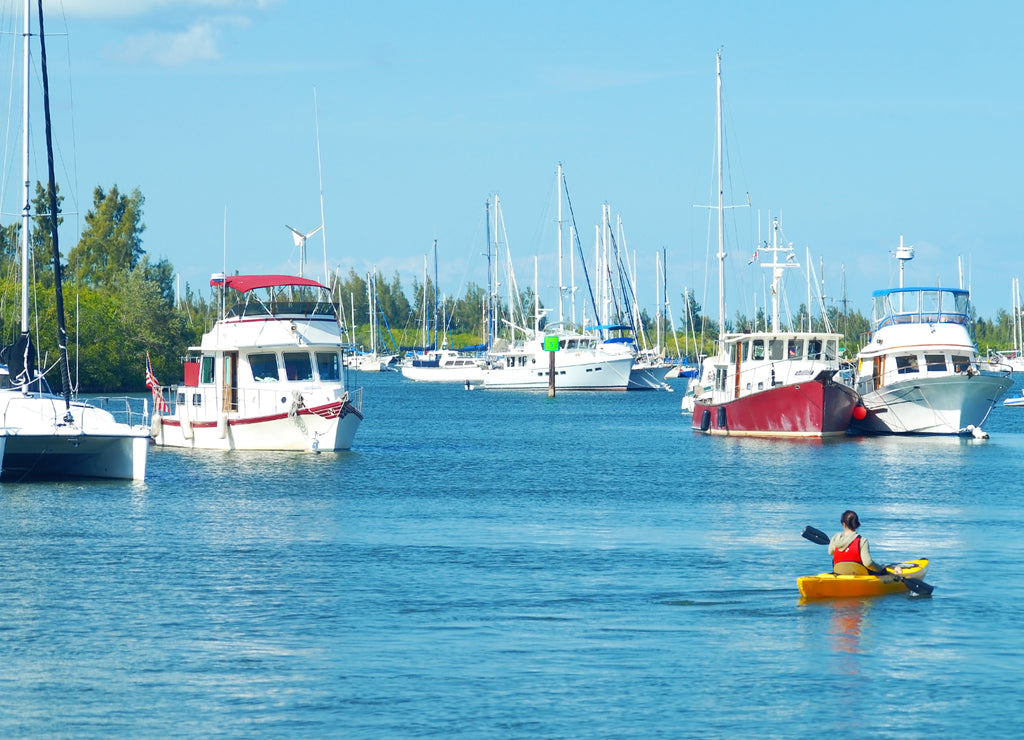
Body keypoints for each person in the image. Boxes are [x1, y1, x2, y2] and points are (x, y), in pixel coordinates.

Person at [828, 510, 887, 575]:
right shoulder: (862, 541)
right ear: (856, 524)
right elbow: (868, 563)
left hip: (839, 573)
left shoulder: (835, 539)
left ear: (843, 524)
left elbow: (830, 552)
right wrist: (880, 568)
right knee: (883, 571)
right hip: (858, 574)